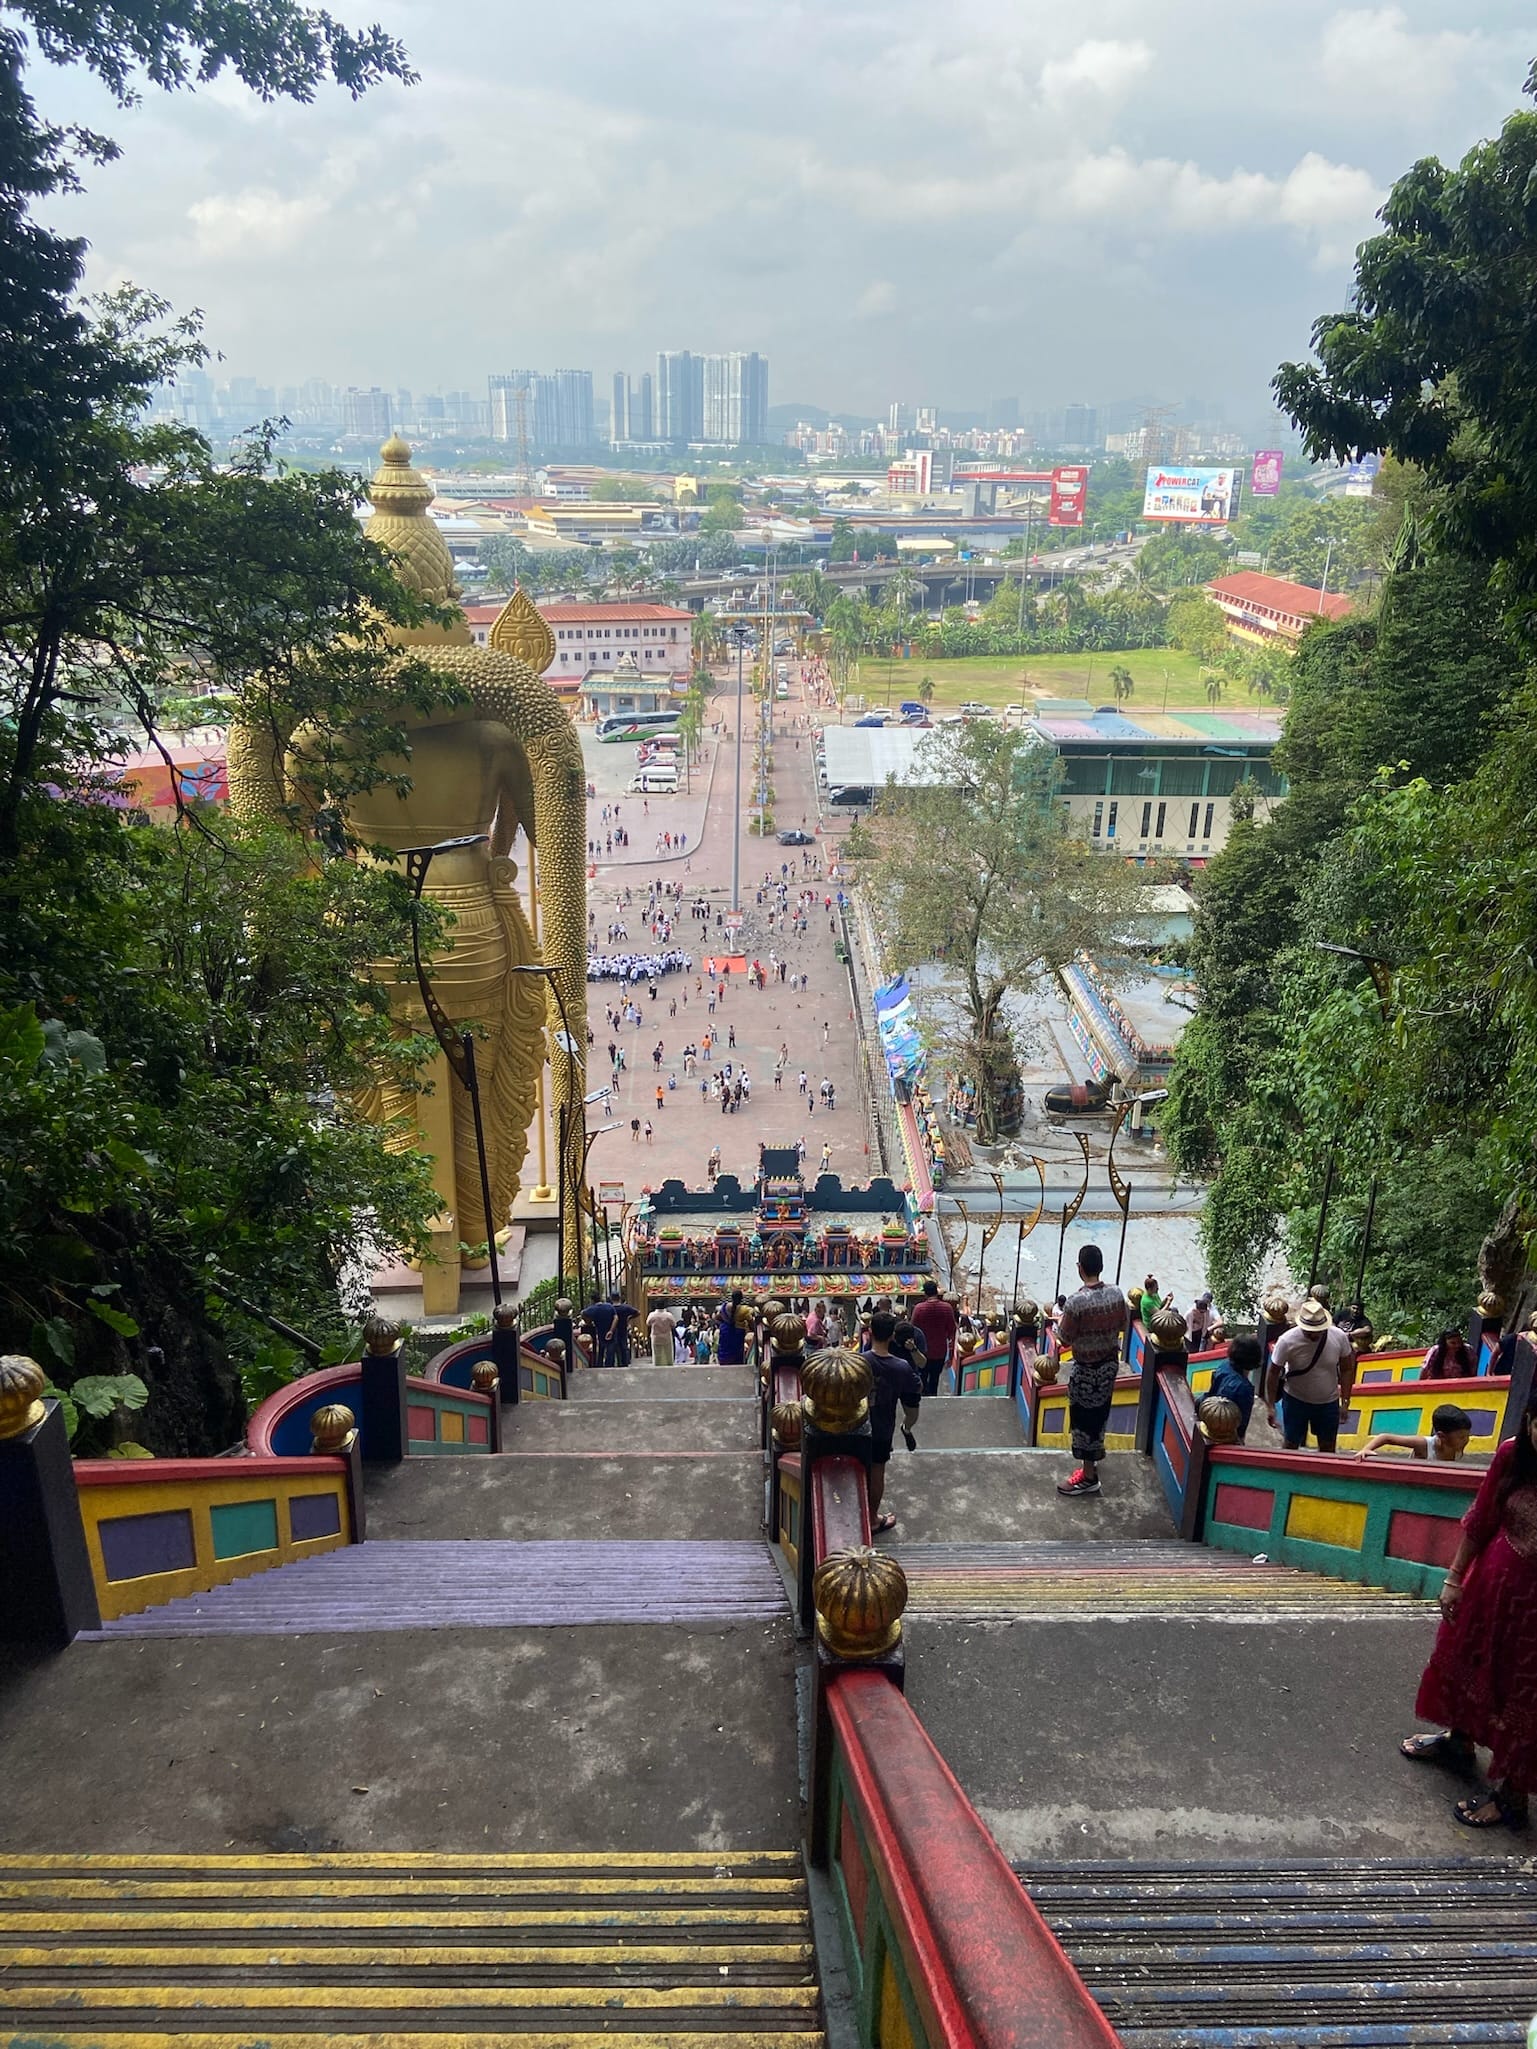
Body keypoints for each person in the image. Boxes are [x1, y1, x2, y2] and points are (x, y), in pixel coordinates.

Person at [1398, 1392, 1537, 1829]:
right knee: (1468, 1660)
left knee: (1525, 1694)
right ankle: (1459, 1742)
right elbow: (1482, 1519)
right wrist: (1455, 1578)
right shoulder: (1513, 1456)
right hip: (1490, 1586)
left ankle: (1512, 1796)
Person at [1055, 1244, 1129, 1498]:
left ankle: (1088, 1477)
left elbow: (1064, 1338)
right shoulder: (1116, 1294)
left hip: (1086, 1370)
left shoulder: (1076, 1302)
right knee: (1100, 1414)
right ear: (1101, 1266)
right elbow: (1124, 1325)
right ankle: (1092, 1462)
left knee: (1083, 1421)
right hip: (1109, 1367)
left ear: (1080, 1268)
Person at [860, 1311, 924, 1534]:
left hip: (856, 1423)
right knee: (877, 1471)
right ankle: (872, 1518)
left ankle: (857, 1510)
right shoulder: (900, 1367)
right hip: (882, 1427)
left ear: (870, 1331)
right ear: (892, 1336)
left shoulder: (860, 1361)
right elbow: (917, 1387)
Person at [1264, 1297, 1356, 1451]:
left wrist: (1345, 1401)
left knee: (1328, 1447)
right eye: (1309, 1332)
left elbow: (1347, 1369)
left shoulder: (1338, 1337)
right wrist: (1271, 1405)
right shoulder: (1287, 1341)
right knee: (1290, 1444)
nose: (1314, 1336)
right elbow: (1273, 1373)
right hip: (1295, 1399)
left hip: (1328, 1401)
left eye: (1318, 1331)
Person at [1357, 1402, 1474, 1464]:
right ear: (1442, 1436)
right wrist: (1365, 1450)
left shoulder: (1457, 1448)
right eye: (1461, 1437)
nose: (1466, 1440)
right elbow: (1385, 1437)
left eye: (1467, 1435)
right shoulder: (1424, 1445)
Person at [1206, 1332, 1260, 1442]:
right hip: (1225, 1430)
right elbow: (1241, 1421)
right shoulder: (1243, 1388)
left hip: (1211, 1415)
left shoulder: (1224, 1365)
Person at [911, 1278, 958, 1398]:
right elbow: (952, 1331)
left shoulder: (919, 1308)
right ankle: (933, 1398)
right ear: (936, 1292)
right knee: (935, 1379)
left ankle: (923, 1398)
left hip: (922, 1351)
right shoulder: (947, 1308)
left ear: (925, 1293)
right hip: (940, 1351)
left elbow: (913, 1329)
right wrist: (951, 1353)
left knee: (922, 1377)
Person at [717, 1288, 749, 1366]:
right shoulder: (744, 1310)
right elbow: (751, 1322)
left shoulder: (724, 1307)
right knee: (736, 1355)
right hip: (737, 1334)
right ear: (741, 1299)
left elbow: (717, 1317)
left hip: (725, 1331)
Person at [645, 1298, 676, 1363]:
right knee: (668, 1354)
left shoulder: (652, 1315)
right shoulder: (668, 1315)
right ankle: (669, 1365)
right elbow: (674, 1324)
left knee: (656, 1355)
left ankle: (657, 1365)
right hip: (667, 1337)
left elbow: (648, 1323)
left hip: (656, 1337)